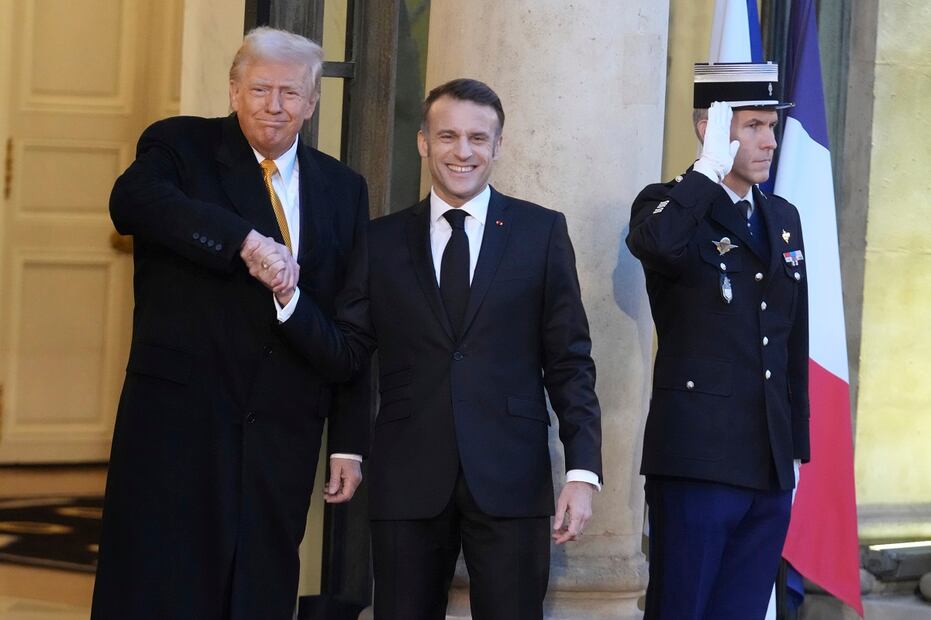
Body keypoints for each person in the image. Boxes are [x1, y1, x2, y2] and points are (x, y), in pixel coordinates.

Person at [291, 78, 603, 619]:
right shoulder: (380, 239)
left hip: (511, 475)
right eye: (448, 136)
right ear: (423, 142)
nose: (463, 152)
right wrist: (289, 301)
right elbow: (350, 354)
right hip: (407, 475)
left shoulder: (541, 232)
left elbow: (570, 360)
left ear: (498, 145)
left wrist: (582, 472)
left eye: (478, 138)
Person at [91, 27, 370, 620]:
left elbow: (353, 315)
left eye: (290, 93)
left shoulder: (344, 188)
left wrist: (347, 442)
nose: (275, 106)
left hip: (282, 430)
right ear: (234, 91)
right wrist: (242, 241)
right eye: (261, 89)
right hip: (180, 424)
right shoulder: (179, 145)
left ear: (313, 103)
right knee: (161, 589)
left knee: (259, 593)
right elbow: (131, 202)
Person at [626, 62, 810, 619]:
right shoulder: (669, 206)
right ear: (711, 127)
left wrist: (795, 446)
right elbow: (654, 245)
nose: (769, 141)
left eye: (772, 127)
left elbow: (791, 337)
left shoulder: (781, 216)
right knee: (683, 607)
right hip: (699, 457)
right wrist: (705, 173)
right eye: (752, 125)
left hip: (768, 459)